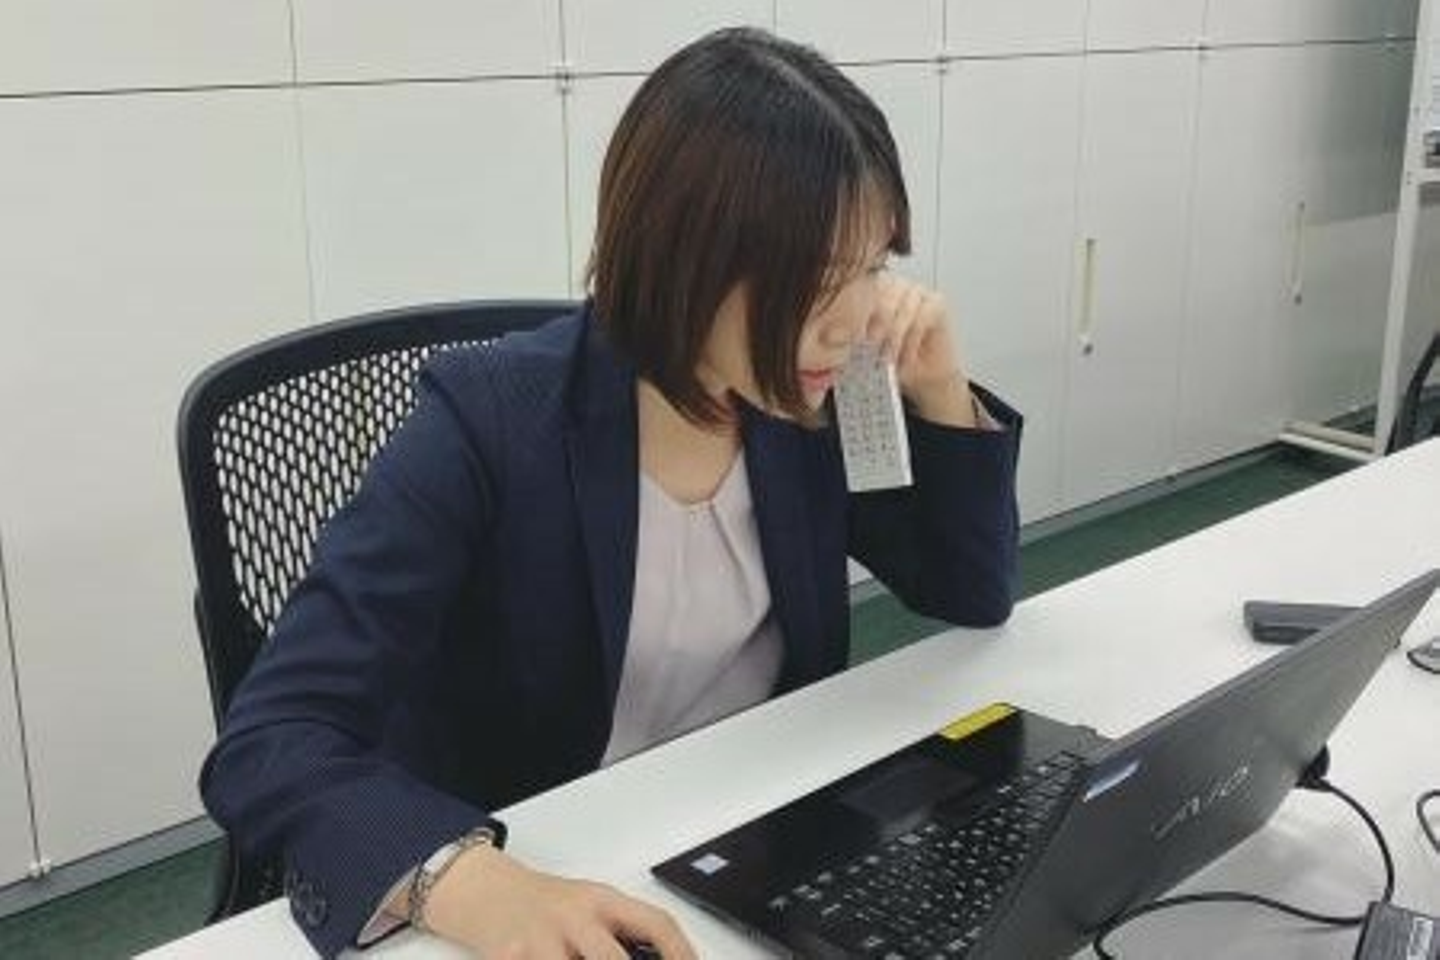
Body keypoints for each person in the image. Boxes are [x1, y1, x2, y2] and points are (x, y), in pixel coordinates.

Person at [201, 25, 1022, 960]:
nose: (854, 318)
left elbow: (970, 592)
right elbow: (273, 735)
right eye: (815, 279)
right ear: (684, 260)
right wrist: (469, 884)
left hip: (752, 846)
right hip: (552, 859)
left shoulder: (809, 398)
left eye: (873, 266)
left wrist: (941, 391)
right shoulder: (485, 422)